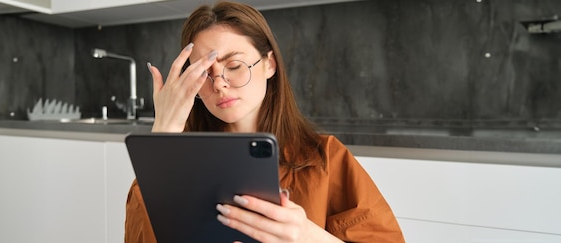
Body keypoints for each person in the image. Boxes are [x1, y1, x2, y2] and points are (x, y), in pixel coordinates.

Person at [125, 1, 405, 242]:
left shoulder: (326, 159)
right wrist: (163, 137)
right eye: (204, 75)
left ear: (269, 64)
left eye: (234, 66)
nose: (220, 84)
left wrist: (308, 236)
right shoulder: (175, 167)